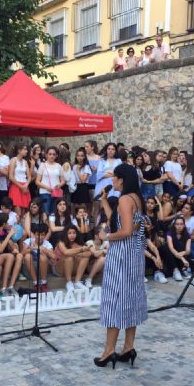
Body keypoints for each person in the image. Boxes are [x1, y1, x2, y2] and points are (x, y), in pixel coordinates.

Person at [96, 163, 147, 369]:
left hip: (122, 255)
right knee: (131, 297)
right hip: (134, 255)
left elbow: (125, 231)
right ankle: (128, 347)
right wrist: (105, 202)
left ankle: (109, 351)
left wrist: (106, 236)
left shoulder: (125, 199)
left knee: (114, 298)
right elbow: (122, 221)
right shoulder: (136, 198)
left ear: (122, 179)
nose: (112, 180)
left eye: (114, 177)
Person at [0, 213, 23, 296]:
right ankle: (4, 288)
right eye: (7, 222)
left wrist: (14, 248)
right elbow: (0, 249)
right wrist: (9, 235)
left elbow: (11, 245)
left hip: (5, 256)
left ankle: (11, 286)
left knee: (19, 256)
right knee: (10, 256)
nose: (9, 224)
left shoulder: (4, 231)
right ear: (3, 224)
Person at [55, 225, 91, 292]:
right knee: (69, 257)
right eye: (69, 233)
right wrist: (81, 250)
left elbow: (89, 254)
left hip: (72, 269)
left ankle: (77, 282)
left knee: (85, 258)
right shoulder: (61, 242)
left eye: (74, 233)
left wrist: (75, 252)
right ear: (65, 234)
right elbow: (66, 252)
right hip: (59, 269)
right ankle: (69, 283)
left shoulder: (78, 243)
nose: (72, 235)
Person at [21, 223, 55, 291]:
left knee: (43, 256)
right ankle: (35, 283)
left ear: (45, 235)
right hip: (29, 271)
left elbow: (53, 256)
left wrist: (41, 248)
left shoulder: (47, 244)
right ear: (35, 234)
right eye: (37, 234)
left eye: (42, 235)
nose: (40, 237)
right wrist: (33, 248)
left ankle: (44, 283)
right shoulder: (29, 241)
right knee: (27, 256)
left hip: (43, 272)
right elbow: (22, 253)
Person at [36, 146, 64, 215]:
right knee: (46, 212)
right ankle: (46, 225)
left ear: (56, 156)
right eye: (50, 154)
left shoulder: (59, 166)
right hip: (44, 192)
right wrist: (47, 187)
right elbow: (37, 181)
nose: (52, 156)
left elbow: (63, 180)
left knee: (54, 213)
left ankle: (52, 226)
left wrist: (59, 185)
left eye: (54, 154)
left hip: (56, 192)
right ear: (46, 155)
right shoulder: (42, 165)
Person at [8, 143, 33, 215]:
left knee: (24, 211)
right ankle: (17, 226)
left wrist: (26, 185)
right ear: (19, 150)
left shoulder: (25, 162)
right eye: (24, 149)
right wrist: (21, 186)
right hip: (16, 186)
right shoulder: (13, 160)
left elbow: (29, 176)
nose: (27, 151)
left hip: (25, 186)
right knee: (17, 211)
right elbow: (11, 176)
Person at [71, 147, 92, 213]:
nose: (80, 157)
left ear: (84, 157)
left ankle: (85, 220)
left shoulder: (86, 167)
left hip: (83, 187)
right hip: (75, 186)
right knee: (73, 204)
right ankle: (74, 220)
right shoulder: (74, 166)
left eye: (82, 156)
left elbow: (83, 180)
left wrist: (78, 171)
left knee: (83, 205)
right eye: (78, 155)